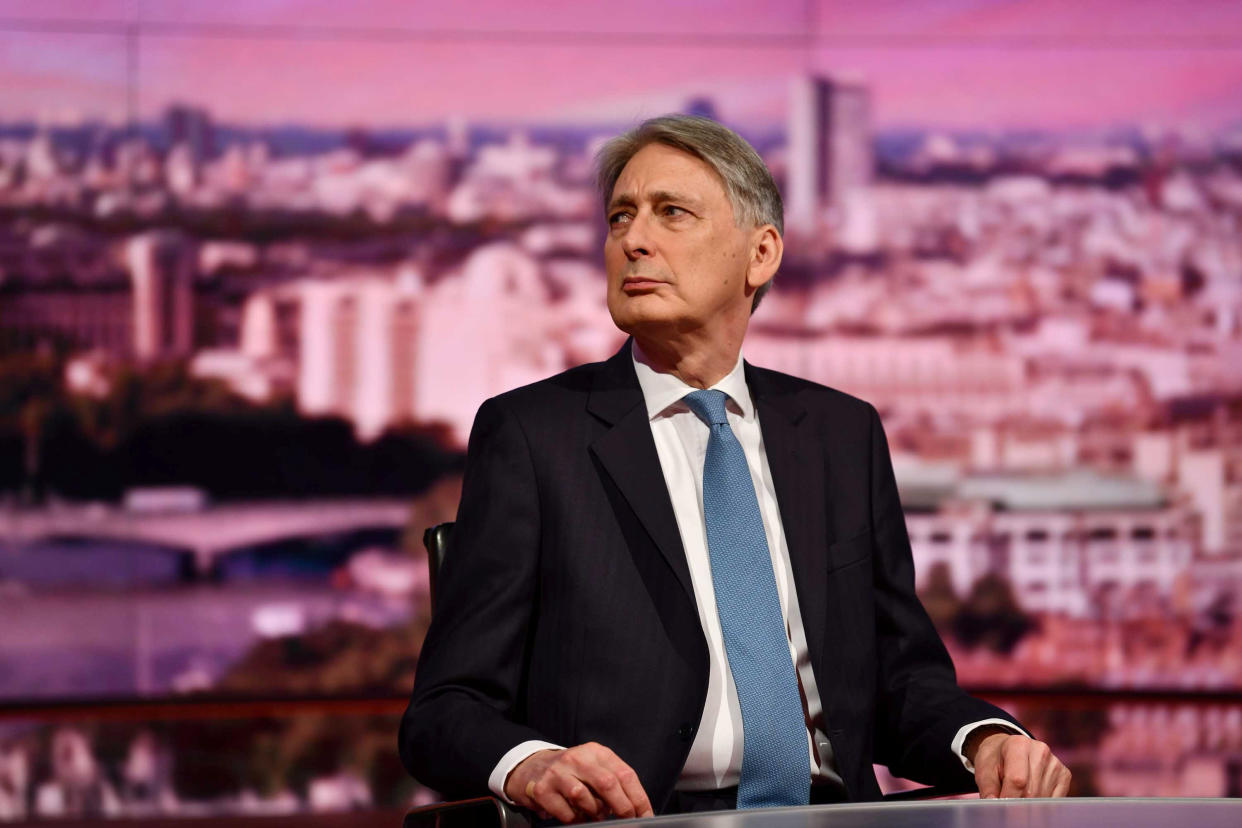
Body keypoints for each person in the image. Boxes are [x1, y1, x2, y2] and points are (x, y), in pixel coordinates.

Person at [399, 115, 1071, 822]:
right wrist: (531, 763)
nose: (633, 240)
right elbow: (445, 711)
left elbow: (900, 682)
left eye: (672, 214)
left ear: (761, 255)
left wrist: (986, 739)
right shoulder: (535, 436)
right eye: (620, 217)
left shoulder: (840, 435)